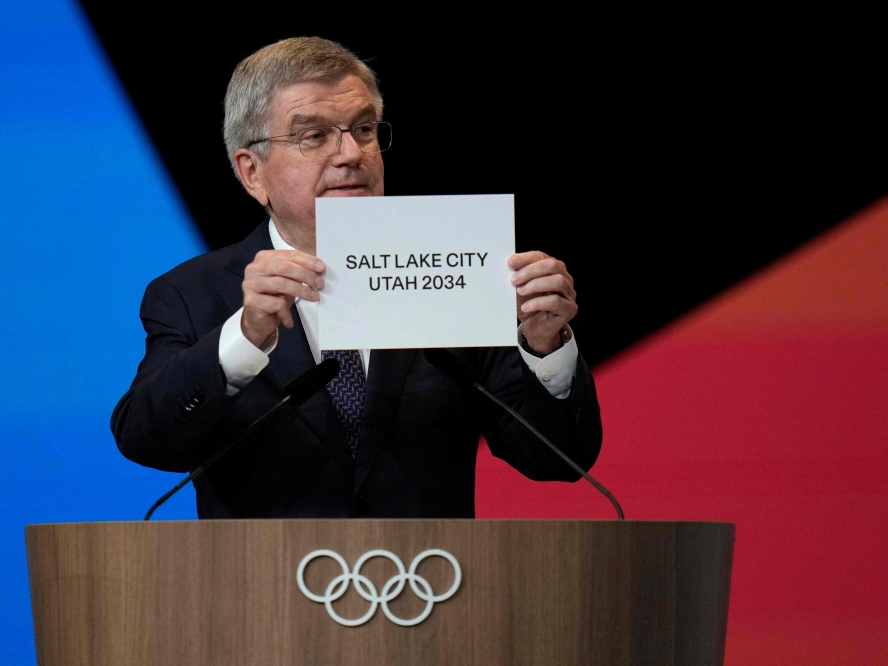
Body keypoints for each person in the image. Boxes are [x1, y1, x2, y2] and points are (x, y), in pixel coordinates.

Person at [111, 37, 602, 518]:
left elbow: (556, 459)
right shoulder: (191, 295)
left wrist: (545, 346)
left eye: (363, 129)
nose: (351, 153)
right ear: (251, 172)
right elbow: (147, 441)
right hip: (262, 587)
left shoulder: (454, 271)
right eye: (314, 135)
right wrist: (244, 335)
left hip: (432, 584)